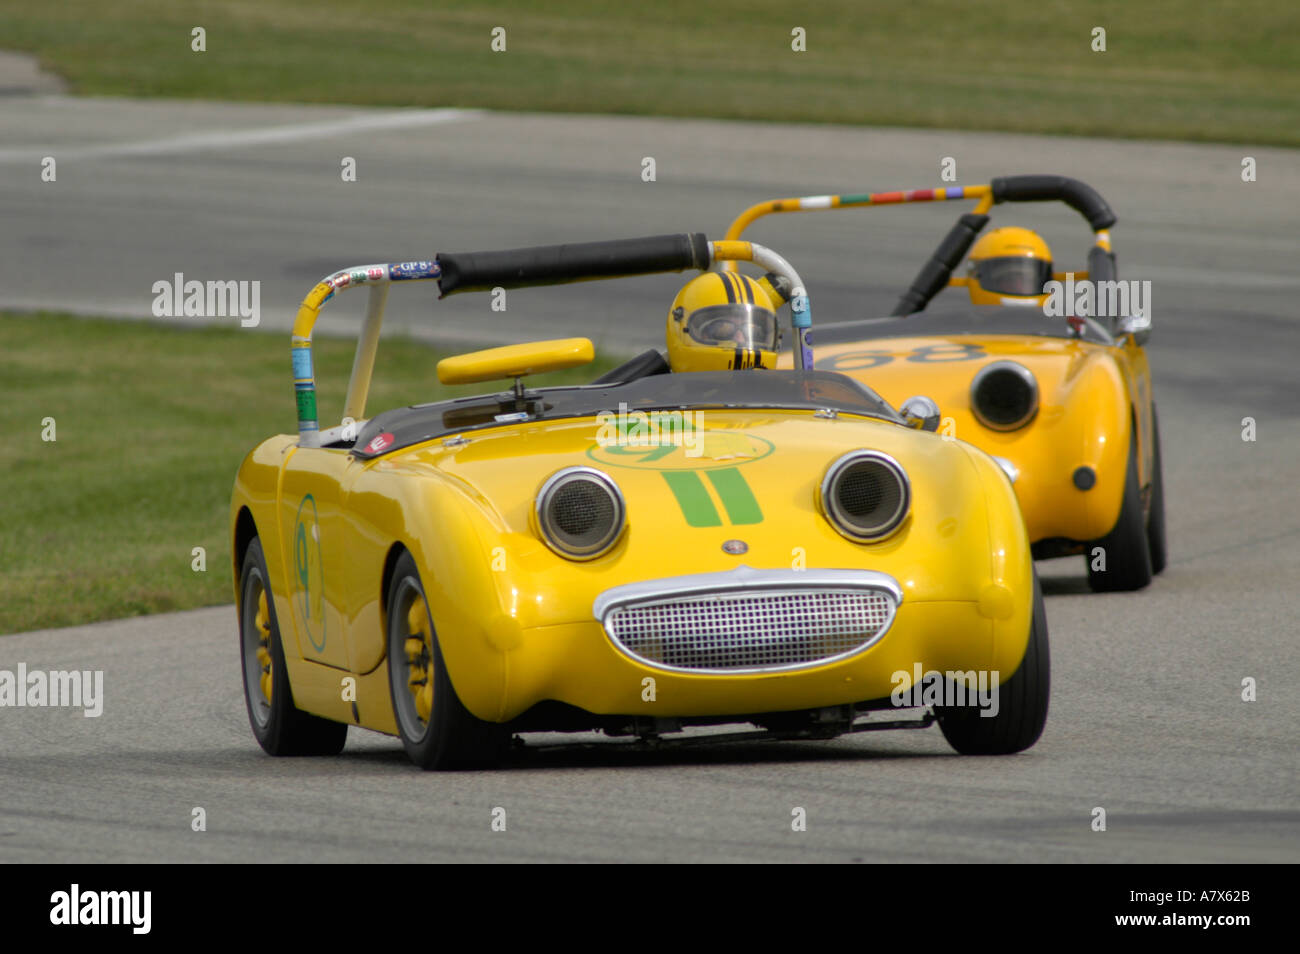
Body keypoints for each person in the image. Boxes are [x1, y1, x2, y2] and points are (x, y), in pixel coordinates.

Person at [965, 226, 1053, 306]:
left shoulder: (1058, 323)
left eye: (1027, 280)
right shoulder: (961, 322)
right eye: (1010, 280)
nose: (1019, 287)